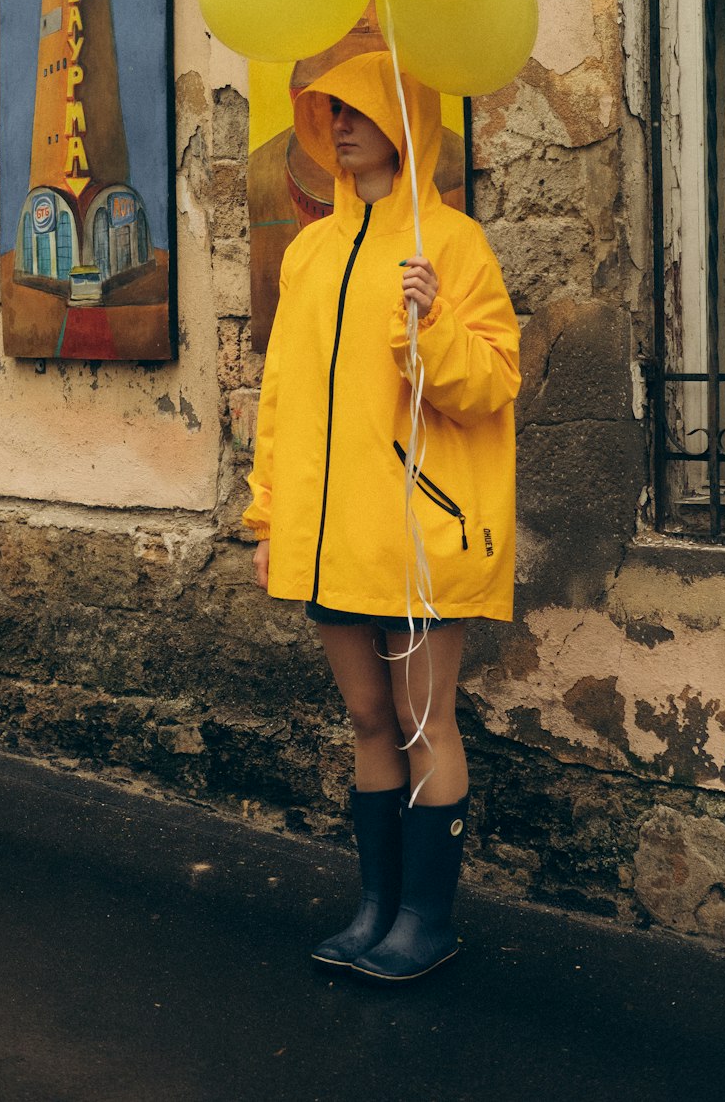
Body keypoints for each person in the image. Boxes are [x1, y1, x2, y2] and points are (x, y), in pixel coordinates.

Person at [243, 50, 520, 982]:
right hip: (330, 536)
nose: (342, 124)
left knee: (421, 722)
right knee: (367, 719)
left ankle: (425, 920)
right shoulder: (312, 252)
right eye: (331, 112)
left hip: (416, 532)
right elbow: (279, 396)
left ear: (409, 121)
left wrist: (434, 325)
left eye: (360, 108)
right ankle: (375, 907)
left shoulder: (452, 244)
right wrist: (268, 516)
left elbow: (492, 386)